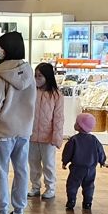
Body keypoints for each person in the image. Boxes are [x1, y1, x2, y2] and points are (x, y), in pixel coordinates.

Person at [0, 31, 36, 214]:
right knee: (22, 169)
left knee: (1, 170)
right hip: (24, 129)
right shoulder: (29, 71)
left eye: (1, 47)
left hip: (3, 130)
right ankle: (19, 211)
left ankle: (1, 212)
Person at [28, 63, 64, 200]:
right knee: (33, 163)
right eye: (35, 75)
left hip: (48, 137)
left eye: (40, 76)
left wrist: (57, 137)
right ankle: (35, 187)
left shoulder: (56, 95)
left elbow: (59, 118)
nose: (37, 78)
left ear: (48, 77)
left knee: (48, 164)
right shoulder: (31, 92)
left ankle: (50, 188)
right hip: (31, 135)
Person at [62, 113, 108, 211]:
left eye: (77, 122)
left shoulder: (74, 140)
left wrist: (64, 162)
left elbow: (68, 152)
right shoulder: (94, 139)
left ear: (80, 126)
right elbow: (100, 150)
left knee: (72, 185)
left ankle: (71, 201)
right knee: (89, 186)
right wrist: (102, 161)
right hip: (91, 169)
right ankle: (87, 202)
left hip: (77, 169)